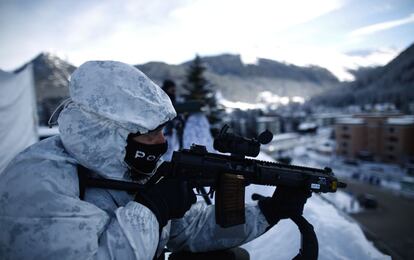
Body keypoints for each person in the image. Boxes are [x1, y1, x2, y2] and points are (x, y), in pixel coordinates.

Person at [0, 61, 310, 260]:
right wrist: (151, 209)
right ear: (108, 133)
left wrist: (267, 213)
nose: (162, 143)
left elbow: (189, 228)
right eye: (151, 134)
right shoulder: (37, 183)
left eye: (163, 132)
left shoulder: (126, 168)